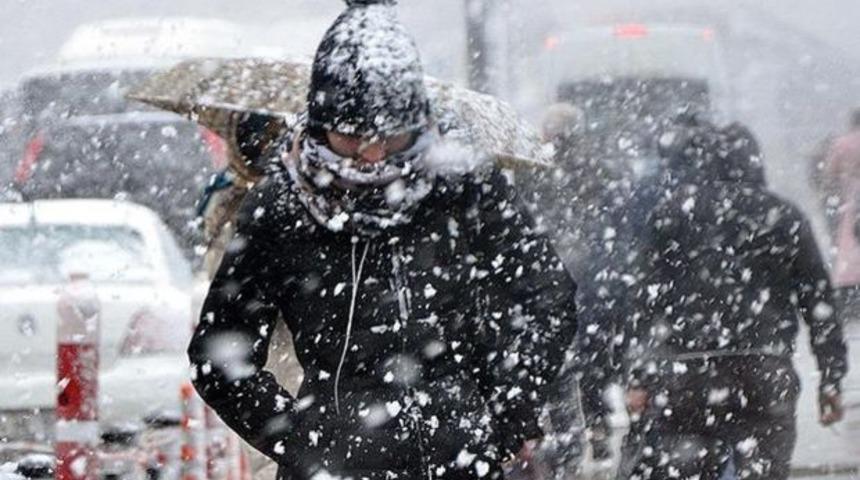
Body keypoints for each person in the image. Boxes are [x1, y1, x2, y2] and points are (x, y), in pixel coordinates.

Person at [187, 1, 579, 479]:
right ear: (320, 125)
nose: (372, 155)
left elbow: (547, 295)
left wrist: (507, 411)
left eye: (390, 137)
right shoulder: (283, 206)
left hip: (460, 460)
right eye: (352, 137)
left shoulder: (463, 184)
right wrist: (301, 440)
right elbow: (218, 355)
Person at [617, 120, 848, 480]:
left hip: (686, 370)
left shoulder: (671, 212)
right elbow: (818, 300)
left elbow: (643, 298)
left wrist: (637, 375)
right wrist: (831, 377)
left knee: (686, 464)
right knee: (762, 464)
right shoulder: (783, 215)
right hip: (764, 366)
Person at [535, 103, 626, 477]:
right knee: (594, 358)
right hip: (593, 278)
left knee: (561, 363)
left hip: (554, 279)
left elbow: (533, 221)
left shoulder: (537, 169)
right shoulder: (599, 166)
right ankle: (598, 426)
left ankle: (566, 449)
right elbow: (615, 223)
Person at [820, 108, 860, 319]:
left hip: (851, 198)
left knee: (848, 243)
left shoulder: (842, 144)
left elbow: (829, 173)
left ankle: (850, 287)